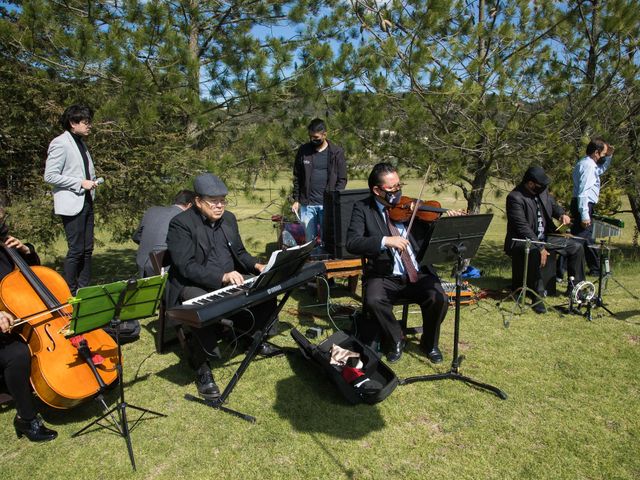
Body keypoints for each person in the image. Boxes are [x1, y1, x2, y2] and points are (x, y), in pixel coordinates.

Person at [166, 173, 279, 400]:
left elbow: (238, 252)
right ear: (198, 202)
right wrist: (222, 277)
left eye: (222, 200)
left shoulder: (228, 219)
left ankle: (251, 338)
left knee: (266, 290)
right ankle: (202, 366)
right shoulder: (181, 224)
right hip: (193, 283)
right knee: (200, 306)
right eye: (213, 201)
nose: (219, 206)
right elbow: (186, 267)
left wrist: (256, 265)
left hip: (229, 278)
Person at [346, 163, 449, 364]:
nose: (398, 191)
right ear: (377, 190)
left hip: (417, 273)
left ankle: (429, 343)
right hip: (383, 274)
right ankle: (395, 339)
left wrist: (445, 222)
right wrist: (384, 241)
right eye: (392, 188)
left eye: (399, 185)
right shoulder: (363, 208)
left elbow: (431, 232)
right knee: (374, 300)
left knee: (439, 298)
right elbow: (352, 242)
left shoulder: (412, 207)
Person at [0, 213, 57, 442]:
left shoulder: (5, 244)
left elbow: (32, 276)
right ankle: (26, 418)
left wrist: (26, 252)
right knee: (18, 354)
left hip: (16, 323)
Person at [504, 166, 585, 313]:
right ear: (530, 183)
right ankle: (538, 296)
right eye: (540, 185)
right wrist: (540, 247)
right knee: (535, 251)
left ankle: (575, 289)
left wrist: (562, 215)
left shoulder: (542, 192)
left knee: (576, 247)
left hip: (545, 237)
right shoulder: (515, 198)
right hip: (522, 241)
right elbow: (522, 228)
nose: (544, 188)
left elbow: (554, 206)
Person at [44, 105, 100, 294]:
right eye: (86, 122)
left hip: (86, 202)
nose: (89, 126)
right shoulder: (60, 143)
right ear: (72, 123)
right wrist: (80, 183)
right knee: (76, 250)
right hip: (72, 205)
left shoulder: (81, 143)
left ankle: (84, 290)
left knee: (87, 250)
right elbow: (50, 176)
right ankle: (69, 292)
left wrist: (91, 183)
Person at [291, 118, 347, 244]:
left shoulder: (336, 152)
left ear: (324, 134)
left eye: (316, 137)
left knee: (328, 240)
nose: (313, 140)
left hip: (327, 205)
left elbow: (342, 179)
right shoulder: (303, 151)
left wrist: (334, 198)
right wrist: (296, 200)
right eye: (310, 137)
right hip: (307, 205)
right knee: (309, 242)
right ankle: (311, 261)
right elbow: (297, 177)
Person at [571, 139, 614, 276]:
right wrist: (584, 215)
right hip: (584, 204)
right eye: (603, 154)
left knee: (586, 238)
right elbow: (583, 193)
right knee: (577, 239)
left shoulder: (588, 164)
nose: (603, 156)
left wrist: (609, 156)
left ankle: (595, 269)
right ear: (596, 152)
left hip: (584, 204)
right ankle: (560, 271)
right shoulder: (588, 166)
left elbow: (600, 170)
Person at [132, 190, 195, 277]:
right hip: (162, 267)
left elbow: (137, 237)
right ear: (190, 205)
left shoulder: (151, 211)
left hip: (142, 263)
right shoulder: (184, 218)